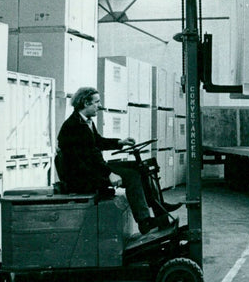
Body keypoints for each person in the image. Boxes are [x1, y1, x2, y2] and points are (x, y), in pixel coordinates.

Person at [57, 86, 175, 234]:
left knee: (139, 167)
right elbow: (91, 156)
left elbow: (98, 141)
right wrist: (109, 174)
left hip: (90, 168)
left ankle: (159, 207)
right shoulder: (74, 126)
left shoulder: (85, 121)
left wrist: (120, 142)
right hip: (82, 176)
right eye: (96, 102)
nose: (99, 106)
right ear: (86, 103)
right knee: (132, 176)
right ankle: (144, 221)